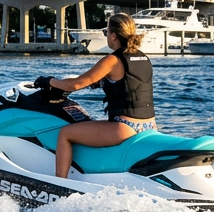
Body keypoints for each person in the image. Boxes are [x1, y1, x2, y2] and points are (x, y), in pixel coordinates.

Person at [34, 13, 155, 179]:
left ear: (113, 35)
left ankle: (59, 184)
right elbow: (130, 84)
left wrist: (50, 81)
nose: (106, 36)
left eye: (106, 32)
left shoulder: (112, 60)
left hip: (125, 127)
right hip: (149, 126)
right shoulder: (143, 58)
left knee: (65, 133)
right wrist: (101, 82)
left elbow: (75, 84)